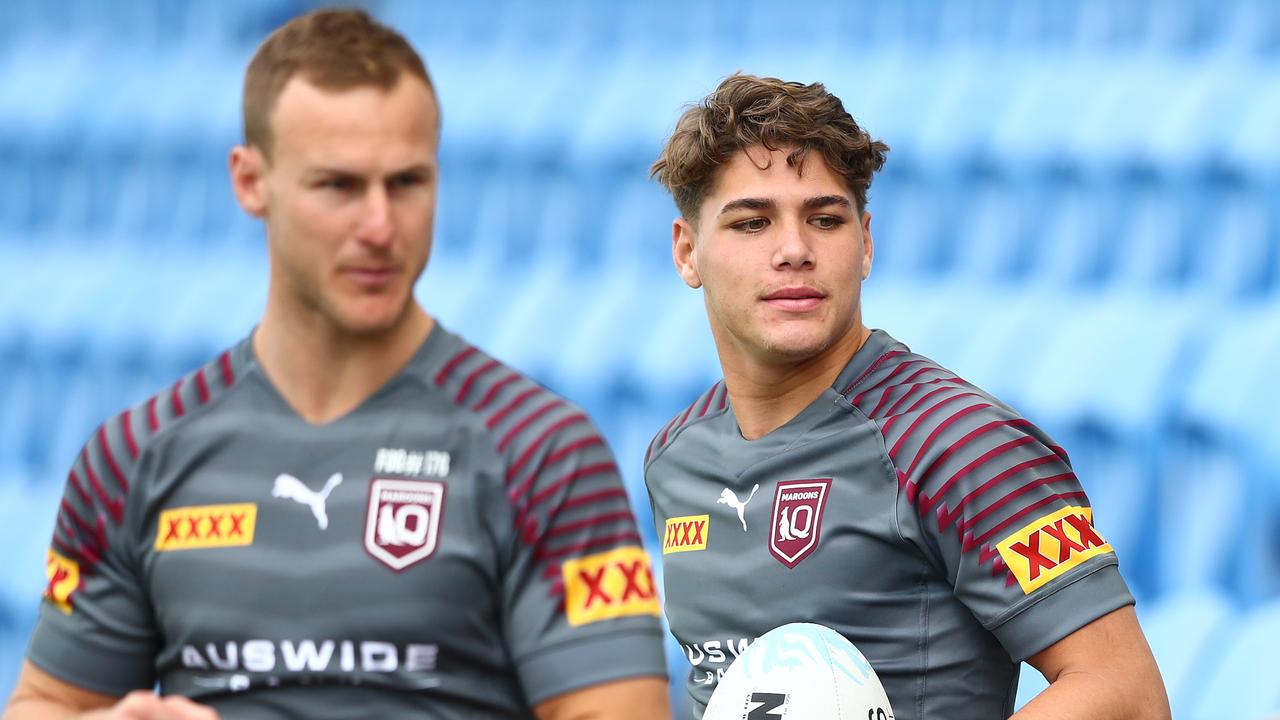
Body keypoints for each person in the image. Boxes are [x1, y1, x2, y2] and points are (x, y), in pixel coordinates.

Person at [4, 9, 670, 720]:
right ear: (250, 181)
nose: (380, 226)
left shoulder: (542, 454)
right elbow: (47, 704)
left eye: (407, 183)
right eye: (339, 187)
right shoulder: (133, 459)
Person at [644, 73, 1170, 719]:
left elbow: (1124, 692)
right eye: (752, 223)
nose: (794, 250)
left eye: (825, 219)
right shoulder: (677, 458)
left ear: (864, 243)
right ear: (688, 252)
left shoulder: (963, 446)